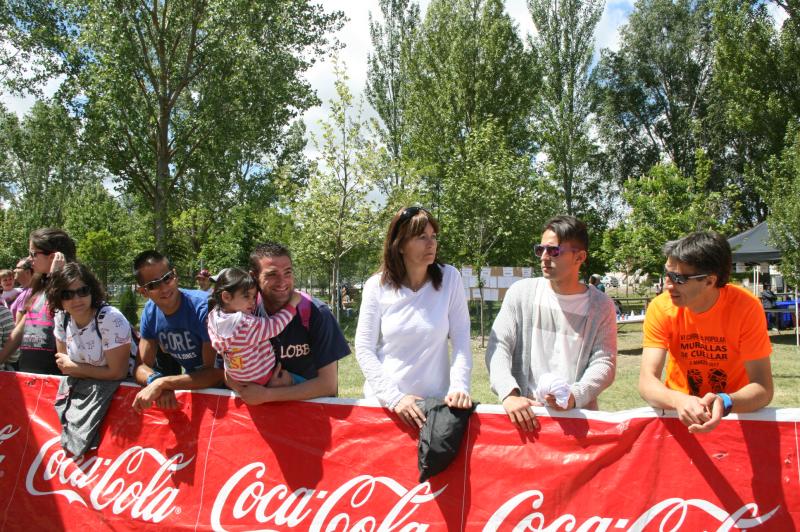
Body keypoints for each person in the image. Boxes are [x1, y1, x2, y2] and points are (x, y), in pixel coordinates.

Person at [485, 215, 617, 432]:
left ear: (579, 257)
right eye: (540, 249)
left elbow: (604, 362)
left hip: (576, 422)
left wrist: (574, 396)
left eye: (554, 251)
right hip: (526, 419)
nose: (544, 257)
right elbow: (499, 346)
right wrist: (509, 393)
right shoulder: (521, 293)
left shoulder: (601, 305)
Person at [638, 231, 773, 433]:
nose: (667, 284)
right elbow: (647, 382)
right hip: (678, 417)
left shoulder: (746, 307)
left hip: (734, 417)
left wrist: (725, 402)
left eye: (678, 278)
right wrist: (679, 400)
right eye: (667, 273)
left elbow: (763, 388)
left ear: (709, 281)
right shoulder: (660, 307)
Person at [354, 206, 473, 428]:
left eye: (433, 236)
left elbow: (461, 340)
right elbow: (363, 349)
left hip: (435, 408)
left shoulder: (450, 278)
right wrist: (395, 398)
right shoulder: (376, 286)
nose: (431, 243)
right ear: (399, 245)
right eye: (421, 237)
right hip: (386, 408)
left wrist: (460, 386)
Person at [224, 242, 350, 404]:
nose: (282, 282)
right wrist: (250, 388)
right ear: (254, 276)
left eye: (287, 272)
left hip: (310, 414)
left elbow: (328, 385)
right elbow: (225, 373)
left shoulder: (317, 313)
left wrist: (268, 394)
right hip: (261, 414)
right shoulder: (241, 313)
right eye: (272, 274)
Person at [47, 262, 132, 455]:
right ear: (58, 298)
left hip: (123, 400)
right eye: (67, 294)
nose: (76, 299)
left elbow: (118, 372)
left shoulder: (110, 319)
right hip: (86, 397)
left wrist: (76, 368)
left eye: (82, 291)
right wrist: (76, 369)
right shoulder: (62, 317)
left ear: (92, 290)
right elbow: (64, 365)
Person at [131, 250, 222, 412]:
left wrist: (164, 383)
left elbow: (215, 374)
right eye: (153, 285)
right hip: (194, 386)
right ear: (143, 292)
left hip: (231, 389)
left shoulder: (204, 308)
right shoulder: (150, 313)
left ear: (175, 275)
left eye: (167, 278)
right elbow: (140, 366)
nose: (164, 288)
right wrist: (155, 380)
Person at [207, 267, 303, 387]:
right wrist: (292, 304)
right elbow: (275, 325)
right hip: (262, 376)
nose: (253, 302)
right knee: (304, 383)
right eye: (246, 296)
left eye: (254, 297)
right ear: (226, 297)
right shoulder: (245, 324)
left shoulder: (213, 317)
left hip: (237, 377)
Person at [0, 228, 73, 373]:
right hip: (31, 374)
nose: (29, 259)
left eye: (33, 254)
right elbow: (21, 329)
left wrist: (55, 276)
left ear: (53, 256)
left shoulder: (75, 289)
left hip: (56, 376)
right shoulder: (40, 286)